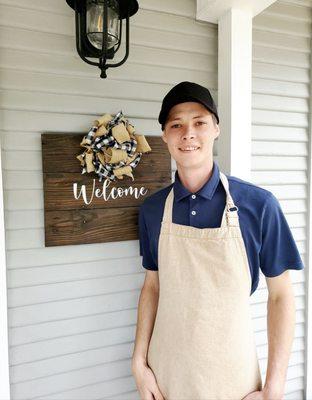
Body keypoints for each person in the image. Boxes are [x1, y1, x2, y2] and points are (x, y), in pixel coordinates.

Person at [131, 81, 304, 400]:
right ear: (165, 136)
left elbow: (281, 296)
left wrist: (274, 387)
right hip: (166, 379)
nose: (188, 134)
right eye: (176, 125)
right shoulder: (154, 210)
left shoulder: (259, 206)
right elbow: (152, 286)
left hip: (234, 383)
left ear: (216, 129)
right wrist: (138, 364)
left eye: (199, 122)